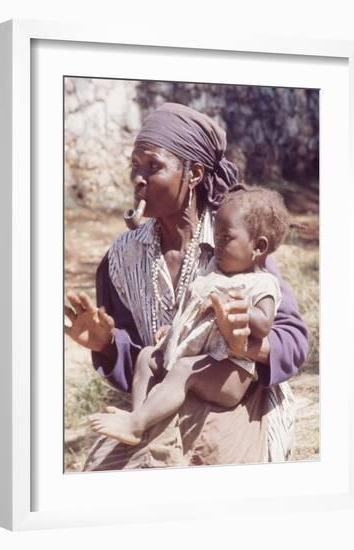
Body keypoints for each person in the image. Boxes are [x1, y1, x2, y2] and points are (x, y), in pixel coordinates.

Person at [64, 102, 309, 469]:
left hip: (235, 399)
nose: (138, 178)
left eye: (153, 166)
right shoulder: (121, 258)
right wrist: (107, 346)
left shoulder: (237, 245)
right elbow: (141, 364)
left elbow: (294, 340)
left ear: (193, 173)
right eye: (135, 166)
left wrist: (246, 341)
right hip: (162, 400)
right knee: (106, 474)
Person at [87, 184, 289, 446]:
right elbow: (193, 309)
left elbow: (264, 325)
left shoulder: (261, 284)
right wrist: (174, 329)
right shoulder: (213, 268)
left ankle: (137, 424)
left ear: (258, 247)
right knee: (147, 355)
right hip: (195, 353)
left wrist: (239, 310)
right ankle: (138, 419)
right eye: (215, 237)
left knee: (184, 370)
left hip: (229, 371)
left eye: (226, 238)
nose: (217, 245)